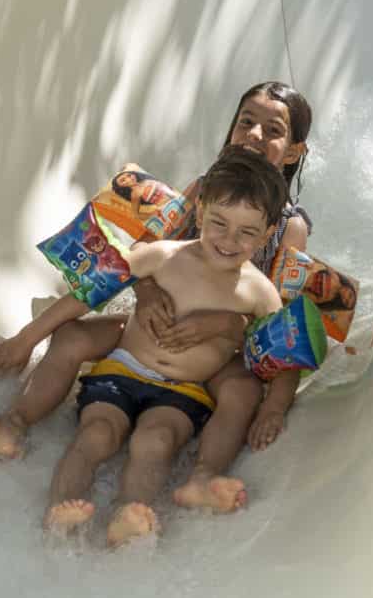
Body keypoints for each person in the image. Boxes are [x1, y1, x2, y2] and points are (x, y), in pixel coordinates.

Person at [0, 82, 312, 513]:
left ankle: (202, 476)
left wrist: (231, 336)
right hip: (150, 328)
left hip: (217, 347)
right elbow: (135, 261)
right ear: (204, 212)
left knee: (236, 394)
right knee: (72, 337)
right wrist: (142, 296)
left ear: (293, 151)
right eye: (246, 122)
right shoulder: (204, 190)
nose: (255, 135)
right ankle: (15, 424)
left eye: (272, 130)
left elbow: (275, 335)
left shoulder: (287, 228)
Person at [38, 148, 293, 544]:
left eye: (247, 232)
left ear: (268, 230)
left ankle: (128, 516)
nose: (229, 240)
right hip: (121, 370)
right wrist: (27, 339)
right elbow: (90, 290)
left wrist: (274, 409)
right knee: (96, 434)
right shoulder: (163, 255)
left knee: (154, 442)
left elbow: (284, 359)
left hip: (183, 391)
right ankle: (61, 510)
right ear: (201, 208)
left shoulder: (260, 293)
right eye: (219, 223)